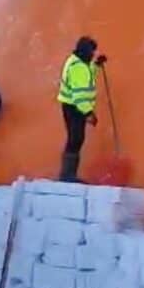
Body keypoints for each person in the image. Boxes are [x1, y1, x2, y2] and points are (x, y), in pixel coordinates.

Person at [57, 36, 107, 182]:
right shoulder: (78, 68)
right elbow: (80, 96)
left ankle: (68, 174)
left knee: (75, 138)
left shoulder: (76, 61)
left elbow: (87, 74)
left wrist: (96, 65)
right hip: (75, 107)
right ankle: (68, 175)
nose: (93, 54)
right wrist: (88, 113)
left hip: (70, 105)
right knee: (76, 139)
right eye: (92, 52)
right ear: (85, 51)